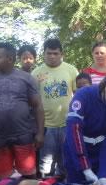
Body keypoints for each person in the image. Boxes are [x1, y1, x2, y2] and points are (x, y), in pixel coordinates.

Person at [0, 42, 44, 179]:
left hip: (23, 135)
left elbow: (38, 106)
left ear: (10, 59)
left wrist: (40, 133)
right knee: (3, 180)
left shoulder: (26, 78)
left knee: (29, 177)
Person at [32, 38, 78, 177]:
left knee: (66, 161)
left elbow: (78, 96)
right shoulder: (36, 73)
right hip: (46, 126)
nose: (52, 56)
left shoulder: (71, 70)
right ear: (44, 54)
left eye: (55, 53)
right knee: (46, 165)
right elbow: (33, 101)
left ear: (61, 54)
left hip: (66, 124)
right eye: (49, 53)